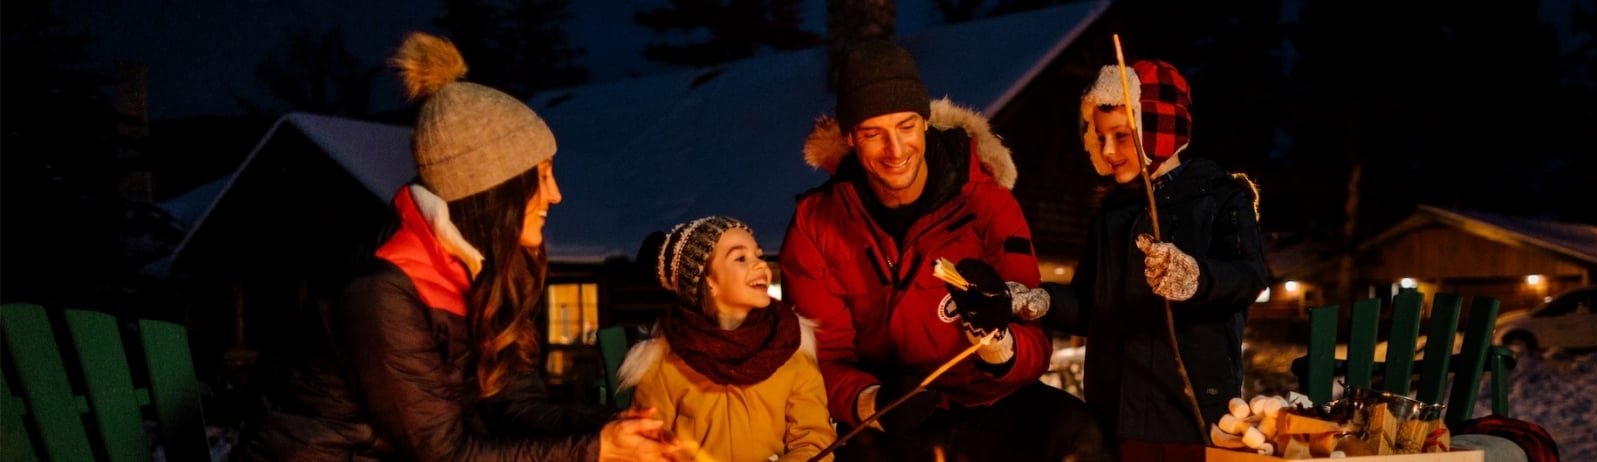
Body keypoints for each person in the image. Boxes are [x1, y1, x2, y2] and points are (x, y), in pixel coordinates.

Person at [236, 32, 684, 461]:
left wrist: (619, 427)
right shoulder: (383, 291)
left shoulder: (485, 271)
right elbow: (443, 453)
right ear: (495, 189)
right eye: (542, 175)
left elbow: (516, 407)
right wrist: (595, 450)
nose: (556, 194)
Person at [779, 39, 1111, 462]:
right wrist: (873, 402)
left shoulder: (986, 202)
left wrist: (999, 346)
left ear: (925, 123)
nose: (895, 150)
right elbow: (823, 360)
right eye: (873, 133)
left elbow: (1033, 334)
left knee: (1079, 435)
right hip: (890, 414)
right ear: (850, 137)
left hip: (990, 401)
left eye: (905, 126)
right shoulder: (817, 224)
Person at [984, 59, 1270, 461]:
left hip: (1189, 418)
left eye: (1121, 135)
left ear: (1157, 128)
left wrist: (1197, 279)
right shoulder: (1113, 214)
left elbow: (1248, 277)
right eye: (1099, 138)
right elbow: (1090, 306)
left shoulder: (1220, 198)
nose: (1107, 150)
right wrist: (1041, 301)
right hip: (1114, 414)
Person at [616, 216, 836, 462]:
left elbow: (813, 441)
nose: (761, 265)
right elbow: (647, 450)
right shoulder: (665, 365)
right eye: (741, 258)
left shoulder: (789, 351)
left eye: (759, 255)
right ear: (709, 282)